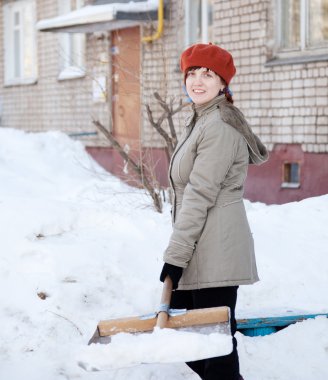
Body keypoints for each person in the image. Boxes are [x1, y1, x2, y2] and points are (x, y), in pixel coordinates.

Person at [159, 43, 269, 380]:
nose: (197, 80)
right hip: (201, 248)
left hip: (216, 251)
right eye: (192, 73)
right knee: (198, 345)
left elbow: (199, 194)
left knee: (214, 352)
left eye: (207, 74)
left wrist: (175, 256)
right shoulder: (202, 119)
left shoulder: (218, 126)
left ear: (223, 83)